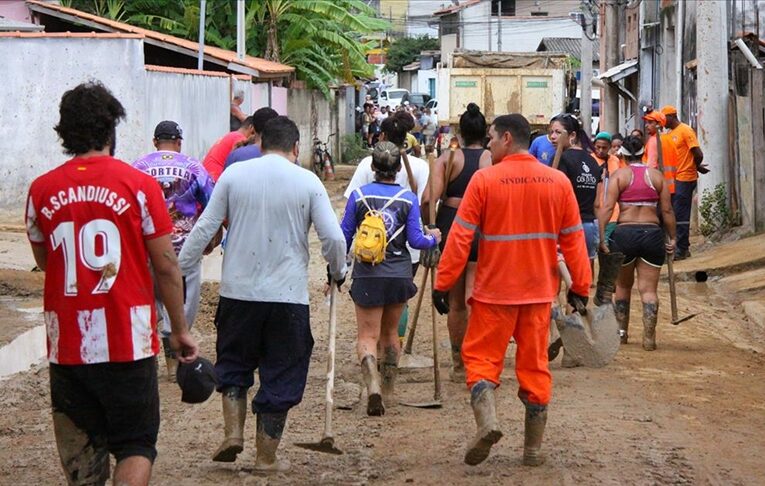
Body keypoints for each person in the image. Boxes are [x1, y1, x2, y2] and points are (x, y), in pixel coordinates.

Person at [25, 82, 198, 486]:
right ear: (111, 130)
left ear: (64, 133)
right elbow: (167, 265)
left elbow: (46, 262)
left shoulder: (41, 191)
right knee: (136, 444)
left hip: (68, 346)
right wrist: (180, 329)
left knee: (84, 461)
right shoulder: (139, 187)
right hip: (128, 341)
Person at [179, 116, 346, 472]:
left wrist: (179, 269)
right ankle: (265, 458)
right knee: (281, 373)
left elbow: (205, 227)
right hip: (287, 299)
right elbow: (333, 239)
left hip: (238, 294)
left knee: (234, 364)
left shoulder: (234, 176)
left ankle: (233, 434)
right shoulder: (308, 181)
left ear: (260, 144)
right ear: (296, 148)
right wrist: (337, 271)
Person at [432, 114, 591, 467]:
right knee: (535, 369)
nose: (488, 144)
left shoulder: (484, 181)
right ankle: (532, 451)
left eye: (491, 138)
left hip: (493, 295)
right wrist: (580, 286)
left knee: (481, 362)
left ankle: (488, 422)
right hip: (537, 295)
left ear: (506, 138)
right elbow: (574, 240)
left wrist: (443, 283)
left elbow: (460, 237)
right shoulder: (557, 183)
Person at [341, 142, 441, 415]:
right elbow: (416, 240)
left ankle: (371, 386)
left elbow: (344, 236)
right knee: (390, 334)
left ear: (372, 167)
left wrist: (336, 270)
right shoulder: (409, 199)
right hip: (399, 274)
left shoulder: (358, 196)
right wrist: (434, 237)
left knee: (367, 335)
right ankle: (387, 391)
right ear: (398, 170)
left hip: (367, 274)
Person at [132, 120, 214, 381]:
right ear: (179, 142)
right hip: (184, 250)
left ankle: (149, 358)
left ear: (155, 141)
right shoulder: (192, 167)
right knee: (182, 304)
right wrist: (210, 239)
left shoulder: (138, 167)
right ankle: (173, 365)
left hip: (146, 248)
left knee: (150, 302)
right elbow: (212, 204)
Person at [344, 111, 430, 351]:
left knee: (371, 316)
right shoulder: (421, 167)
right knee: (395, 305)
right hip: (406, 254)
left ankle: (372, 354)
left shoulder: (365, 165)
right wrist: (432, 238)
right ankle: (390, 355)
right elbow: (426, 203)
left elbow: (351, 206)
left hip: (368, 252)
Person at [426, 102, 491, 381]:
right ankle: (476, 358)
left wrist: (428, 226)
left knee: (456, 302)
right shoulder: (492, 158)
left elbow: (430, 198)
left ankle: (458, 361)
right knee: (475, 296)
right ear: (485, 132)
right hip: (483, 225)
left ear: (460, 133)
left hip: (452, 223)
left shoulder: (447, 158)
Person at [598, 136, 676, 350]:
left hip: (625, 235)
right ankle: (649, 338)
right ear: (644, 154)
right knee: (648, 290)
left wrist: (602, 236)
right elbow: (667, 211)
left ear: (621, 155)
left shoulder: (619, 176)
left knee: (623, 287)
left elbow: (606, 208)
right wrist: (673, 237)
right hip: (652, 235)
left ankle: (621, 334)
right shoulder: (657, 177)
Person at [550, 114, 602, 271]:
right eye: (550, 132)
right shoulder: (593, 162)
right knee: (582, 280)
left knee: (556, 278)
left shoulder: (561, 160)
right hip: (589, 227)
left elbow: (553, 196)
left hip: (565, 227)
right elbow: (597, 204)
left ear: (572, 135)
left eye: (558, 133)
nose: (552, 137)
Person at [661, 105, 708, 261]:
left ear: (672, 116)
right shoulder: (670, 133)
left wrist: (695, 166)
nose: (662, 122)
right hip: (675, 178)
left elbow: (697, 153)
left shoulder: (686, 130)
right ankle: (680, 246)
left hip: (685, 177)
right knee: (674, 212)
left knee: (681, 214)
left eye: (664, 118)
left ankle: (682, 249)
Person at [592, 131, 625, 244]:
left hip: (612, 209)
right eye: (598, 147)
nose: (600, 150)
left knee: (607, 242)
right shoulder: (589, 160)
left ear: (610, 147)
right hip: (594, 208)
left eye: (604, 148)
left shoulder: (615, 160)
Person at [202, 116, 256, 182]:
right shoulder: (240, 139)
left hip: (206, 176)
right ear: (251, 128)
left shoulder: (231, 135)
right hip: (215, 179)